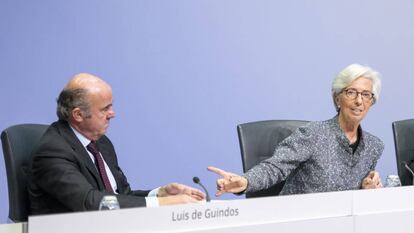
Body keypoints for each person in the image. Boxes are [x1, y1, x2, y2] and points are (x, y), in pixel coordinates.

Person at [29, 73, 205, 215]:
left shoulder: (101, 143)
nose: (112, 114)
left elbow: (120, 197)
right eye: (105, 109)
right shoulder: (53, 150)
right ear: (78, 115)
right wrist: (161, 204)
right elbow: (90, 202)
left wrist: (159, 194)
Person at [208, 64, 384, 197]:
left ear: (371, 101)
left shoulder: (374, 146)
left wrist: (367, 191)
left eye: (366, 94)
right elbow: (275, 167)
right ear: (338, 98)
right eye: (351, 92)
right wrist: (245, 181)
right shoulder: (313, 134)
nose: (359, 101)